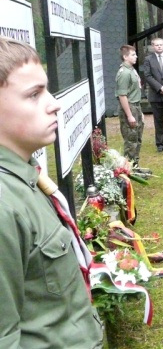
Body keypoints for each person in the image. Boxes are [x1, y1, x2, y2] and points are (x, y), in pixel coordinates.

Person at [0, 37, 103, 348]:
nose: (54, 102)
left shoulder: (25, 180)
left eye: (45, 88)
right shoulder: (5, 205)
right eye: (33, 95)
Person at [115, 44, 144, 167]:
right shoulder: (124, 73)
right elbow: (122, 96)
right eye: (133, 55)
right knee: (131, 140)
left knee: (137, 138)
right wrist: (130, 115)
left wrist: (140, 112)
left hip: (136, 106)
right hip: (130, 107)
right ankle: (128, 169)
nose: (136, 57)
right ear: (125, 57)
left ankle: (135, 166)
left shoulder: (131, 70)